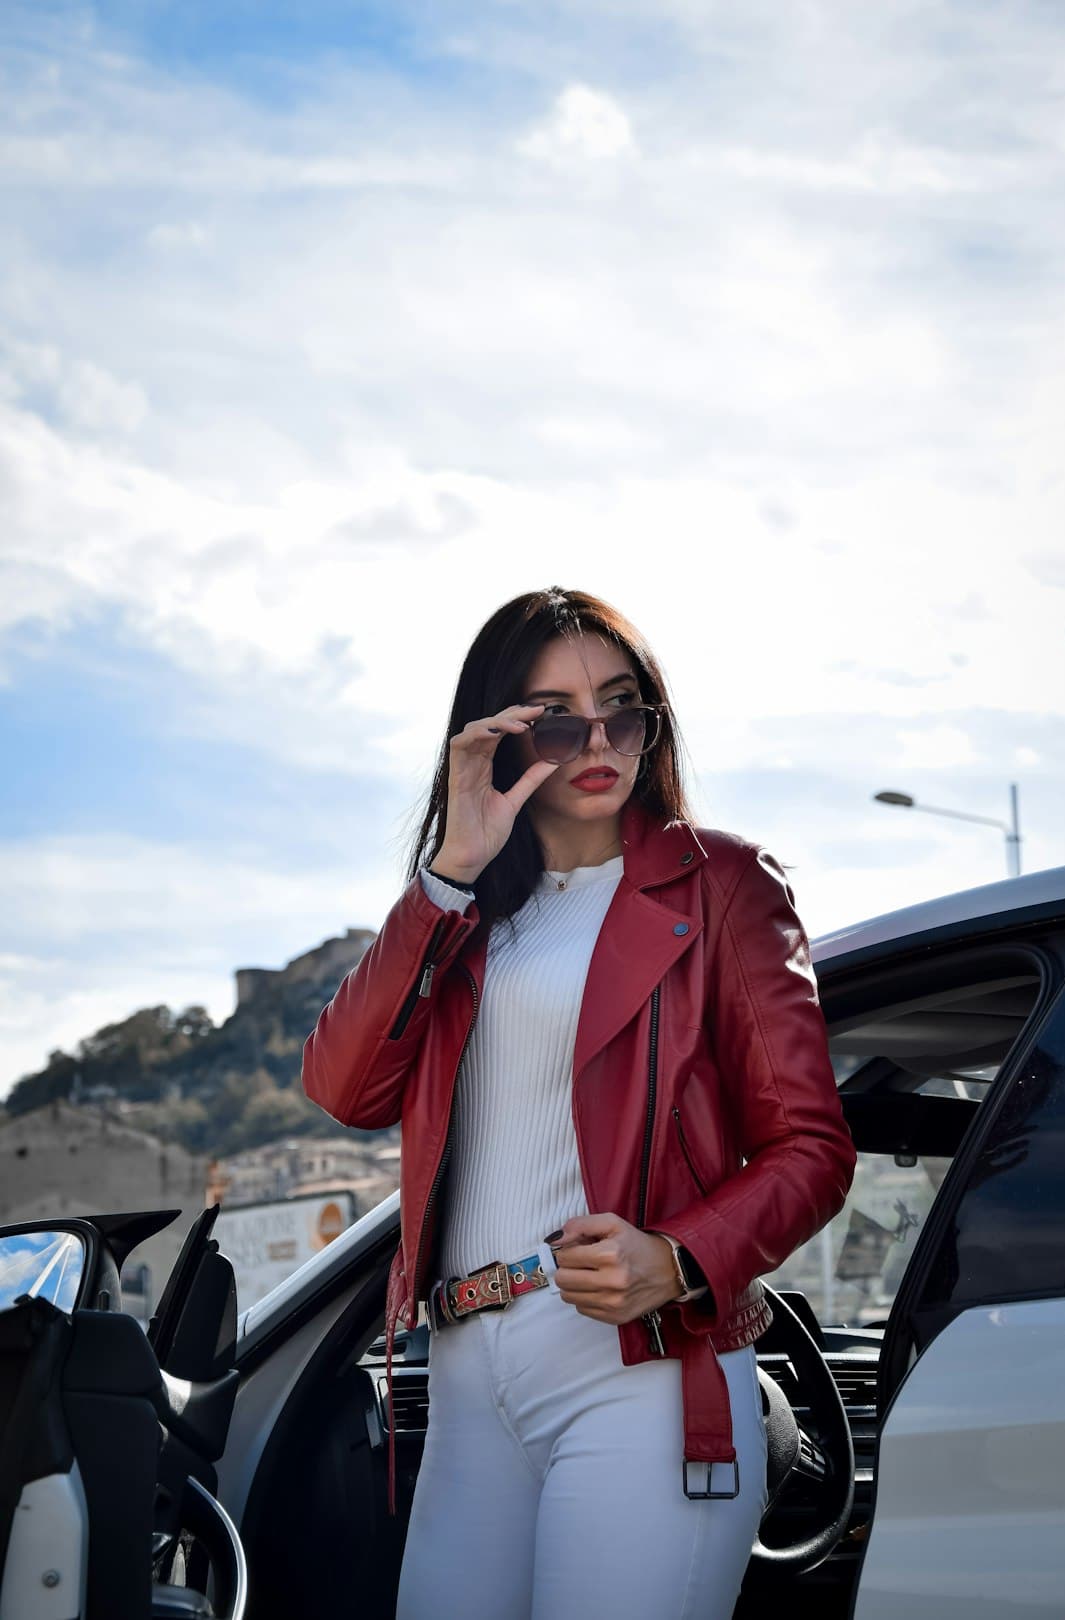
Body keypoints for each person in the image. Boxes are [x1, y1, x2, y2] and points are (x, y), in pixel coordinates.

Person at [301, 586, 857, 1620]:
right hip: (467, 1369)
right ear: (501, 738)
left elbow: (812, 1147)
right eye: (557, 716)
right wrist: (449, 872)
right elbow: (343, 1086)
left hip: (638, 1365)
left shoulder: (722, 884)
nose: (598, 737)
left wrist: (680, 1256)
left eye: (622, 705)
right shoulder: (465, 918)